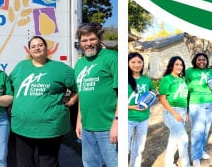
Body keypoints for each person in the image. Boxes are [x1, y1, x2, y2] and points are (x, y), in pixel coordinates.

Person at [8, 35, 76, 167]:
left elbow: (79, 86)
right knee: (24, 163)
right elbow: (9, 87)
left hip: (50, 127)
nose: (37, 48)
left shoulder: (60, 68)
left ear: (47, 48)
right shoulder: (21, 67)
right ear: (29, 51)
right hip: (22, 126)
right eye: (33, 46)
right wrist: (10, 104)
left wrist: (72, 99)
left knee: (48, 163)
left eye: (40, 45)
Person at [74, 24, 117, 167]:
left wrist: (117, 123)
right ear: (79, 42)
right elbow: (82, 94)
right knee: (89, 164)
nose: (88, 44)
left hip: (108, 127)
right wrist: (79, 121)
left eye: (92, 39)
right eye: (84, 41)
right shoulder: (79, 64)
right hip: (87, 128)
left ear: (99, 39)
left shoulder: (111, 57)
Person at [185, 53, 212, 167]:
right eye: (199, 59)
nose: (201, 62)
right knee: (197, 130)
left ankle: (201, 151)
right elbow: (185, 88)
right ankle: (195, 157)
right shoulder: (189, 71)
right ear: (195, 60)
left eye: (204, 60)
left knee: (205, 129)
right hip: (196, 103)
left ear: (207, 61)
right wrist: (186, 108)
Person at [156, 57, 190, 167]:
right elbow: (162, 99)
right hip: (171, 111)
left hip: (183, 111)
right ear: (171, 65)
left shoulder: (182, 80)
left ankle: (168, 164)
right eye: (177, 64)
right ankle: (186, 164)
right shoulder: (166, 79)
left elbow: (185, 97)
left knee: (174, 140)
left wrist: (186, 113)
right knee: (183, 139)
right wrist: (175, 114)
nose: (179, 67)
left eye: (181, 65)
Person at [126, 53, 152, 167]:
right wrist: (131, 107)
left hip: (143, 119)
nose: (137, 65)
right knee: (124, 148)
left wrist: (148, 101)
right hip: (127, 118)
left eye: (139, 62)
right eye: (133, 62)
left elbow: (152, 93)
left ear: (143, 63)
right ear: (127, 64)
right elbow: (115, 100)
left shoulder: (147, 80)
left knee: (139, 147)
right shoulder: (123, 79)